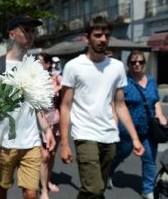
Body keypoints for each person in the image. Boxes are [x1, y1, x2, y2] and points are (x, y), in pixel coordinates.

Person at [59, 16, 145, 199]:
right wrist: (65, 144)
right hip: (84, 134)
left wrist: (135, 138)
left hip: (109, 135)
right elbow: (65, 106)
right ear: (87, 38)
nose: (103, 39)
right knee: (94, 188)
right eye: (98, 35)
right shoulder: (73, 66)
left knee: (97, 191)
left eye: (106, 35)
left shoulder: (117, 67)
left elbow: (120, 105)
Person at [0, 16, 55, 199]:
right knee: (2, 186)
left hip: (31, 141)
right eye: (26, 30)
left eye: (33, 31)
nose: (31, 34)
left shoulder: (35, 67)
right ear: (12, 34)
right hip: (5, 142)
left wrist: (47, 130)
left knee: (31, 193)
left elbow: (37, 103)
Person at [109, 50, 168, 199]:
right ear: (128, 64)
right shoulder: (123, 82)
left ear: (144, 64)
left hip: (149, 127)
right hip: (128, 129)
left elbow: (155, 100)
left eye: (140, 62)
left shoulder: (151, 80)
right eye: (133, 62)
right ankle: (108, 172)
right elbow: (117, 104)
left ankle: (147, 190)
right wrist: (114, 124)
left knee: (149, 159)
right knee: (120, 154)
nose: (137, 65)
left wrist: (160, 114)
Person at [35, 52, 62, 199]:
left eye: (40, 62)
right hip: (40, 123)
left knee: (51, 155)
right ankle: (44, 189)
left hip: (55, 122)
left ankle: (47, 180)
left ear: (47, 64)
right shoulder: (33, 81)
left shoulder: (56, 79)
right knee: (44, 156)